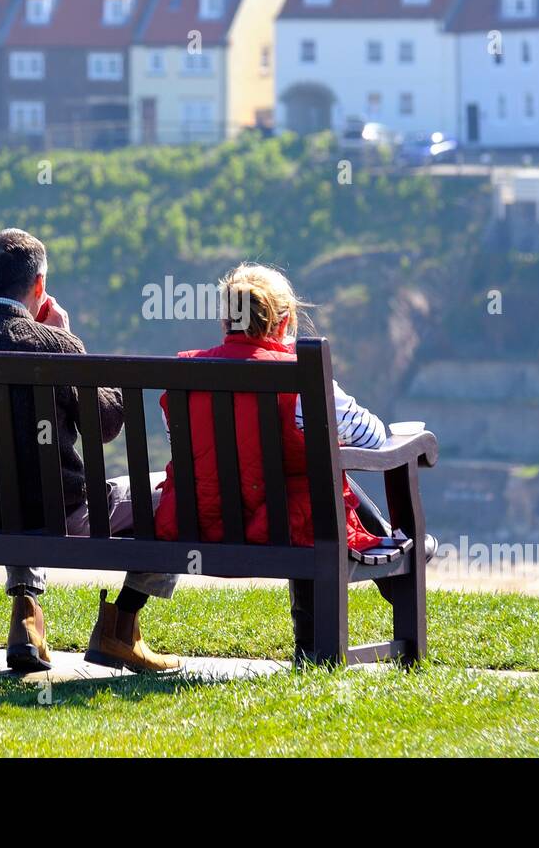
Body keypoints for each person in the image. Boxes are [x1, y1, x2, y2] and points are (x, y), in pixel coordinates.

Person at [0, 229, 180, 673]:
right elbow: (104, 426)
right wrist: (71, 346)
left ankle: (27, 613)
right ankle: (120, 627)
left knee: (17, 485)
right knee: (177, 493)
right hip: (60, 513)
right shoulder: (56, 344)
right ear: (39, 287)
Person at [152, 262, 436, 658]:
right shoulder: (300, 378)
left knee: (305, 479)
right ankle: (392, 563)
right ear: (284, 322)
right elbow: (375, 440)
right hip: (281, 527)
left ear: (224, 321)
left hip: (201, 523)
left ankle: (316, 638)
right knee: (313, 486)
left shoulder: (188, 371)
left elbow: (188, 447)